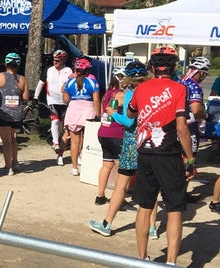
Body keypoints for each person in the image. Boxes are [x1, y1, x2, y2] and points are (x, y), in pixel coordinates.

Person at [127, 46, 196, 265]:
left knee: (145, 207)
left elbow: (130, 112)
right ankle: (171, 262)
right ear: (174, 67)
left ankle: (142, 258)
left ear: (152, 67)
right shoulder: (178, 89)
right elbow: (182, 128)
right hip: (168, 154)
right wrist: (191, 158)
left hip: (145, 152)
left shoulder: (141, 88)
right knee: (175, 209)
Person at [89, 60, 160, 238]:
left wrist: (114, 114)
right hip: (151, 141)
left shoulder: (130, 93)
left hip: (131, 142)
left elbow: (129, 121)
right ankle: (152, 228)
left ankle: (107, 223)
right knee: (151, 187)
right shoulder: (153, 92)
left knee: (121, 186)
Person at [0, 53, 28, 176]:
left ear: (6, 64)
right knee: (12, 138)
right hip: (17, 114)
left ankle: (8, 166)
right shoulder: (22, 79)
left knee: (6, 141)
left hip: (3, 113)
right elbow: (26, 97)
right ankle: (15, 161)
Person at [179, 56, 211, 203]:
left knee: (178, 159)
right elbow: (196, 109)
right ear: (202, 72)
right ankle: (180, 194)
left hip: (176, 125)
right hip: (189, 127)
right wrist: (206, 116)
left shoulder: (180, 81)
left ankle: (178, 192)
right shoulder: (194, 85)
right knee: (189, 161)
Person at [93, 66, 126, 206]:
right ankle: (119, 198)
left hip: (103, 131)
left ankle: (100, 195)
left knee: (106, 165)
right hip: (116, 133)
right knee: (120, 167)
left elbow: (101, 111)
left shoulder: (107, 93)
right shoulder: (121, 95)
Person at [62, 57, 100, 176]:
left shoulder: (69, 82)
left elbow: (65, 99)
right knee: (87, 139)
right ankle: (85, 161)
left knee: (74, 141)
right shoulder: (93, 82)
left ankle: (74, 167)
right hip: (88, 108)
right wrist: (98, 114)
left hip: (73, 109)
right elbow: (96, 100)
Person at [34, 50, 73, 166]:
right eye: (54, 60)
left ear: (63, 60)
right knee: (55, 120)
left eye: (58, 60)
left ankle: (61, 153)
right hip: (52, 100)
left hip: (65, 101)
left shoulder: (68, 70)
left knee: (64, 125)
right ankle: (55, 143)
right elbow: (41, 83)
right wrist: (36, 97)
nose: (55, 62)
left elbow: (73, 84)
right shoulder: (49, 70)